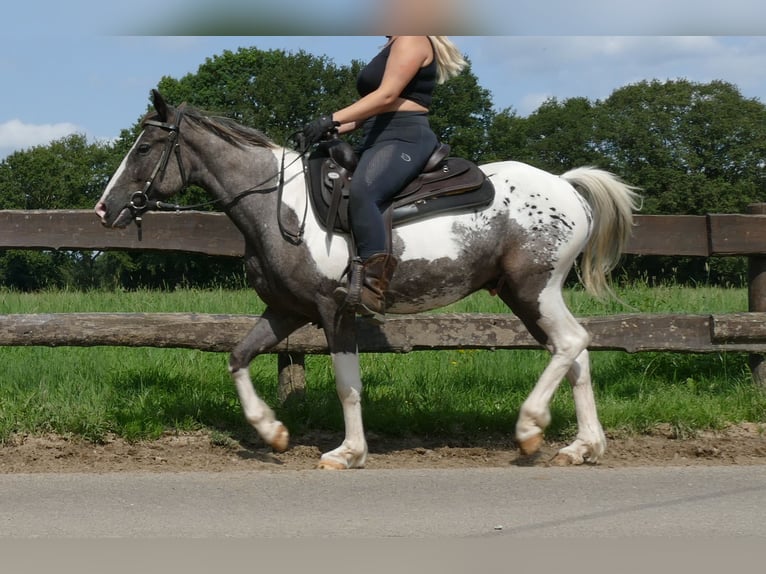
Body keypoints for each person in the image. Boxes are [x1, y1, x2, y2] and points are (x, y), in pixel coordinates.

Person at [301, 36, 467, 321]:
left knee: (365, 191)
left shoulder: (412, 38)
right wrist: (327, 130)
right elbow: (368, 111)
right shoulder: (393, 46)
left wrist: (331, 118)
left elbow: (387, 96)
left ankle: (372, 289)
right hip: (376, 135)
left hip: (404, 136)